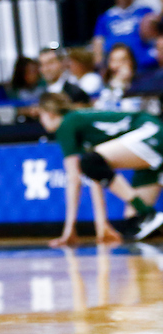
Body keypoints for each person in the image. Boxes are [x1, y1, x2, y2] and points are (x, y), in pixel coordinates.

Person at [39, 93, 163, 247]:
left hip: (150, 132)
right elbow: (97, 177)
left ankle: (148, 213)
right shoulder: (81, 123)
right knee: (134, 223)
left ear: (49, 113)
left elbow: (74, 179)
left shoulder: (67, 123)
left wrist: (69, 229)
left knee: (90, 162)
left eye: (41, 116)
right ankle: (147, 215)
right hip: (152, 145)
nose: (41, 121)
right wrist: (101, 224)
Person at [92, 0, 154, 69]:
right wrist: (99, 64)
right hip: (114, 65)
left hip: (142, 62)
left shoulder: (145, 12)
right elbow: (98, 41)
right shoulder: (106, 16)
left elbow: (156, 34)